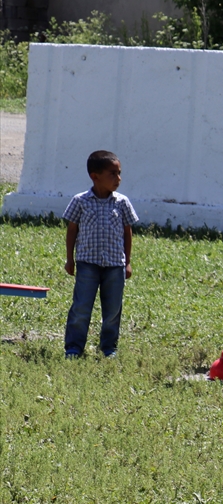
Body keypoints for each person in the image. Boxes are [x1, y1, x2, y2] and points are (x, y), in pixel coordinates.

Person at [63, 150, 138, 358]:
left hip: (115, 265)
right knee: (81, 307)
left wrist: (127, 262)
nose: (118, 179)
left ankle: (108, 348)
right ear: (95, 177)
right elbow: (72, 230)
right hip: (87, 263)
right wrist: (70, 259)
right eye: (112, 174)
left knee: (113, 310)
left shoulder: (122, 202)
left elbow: (127, 232)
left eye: (119, 173)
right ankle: (73, 347)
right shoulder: (80, 201)